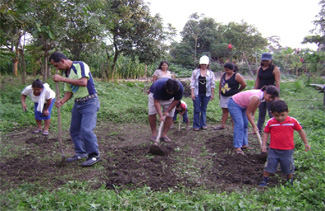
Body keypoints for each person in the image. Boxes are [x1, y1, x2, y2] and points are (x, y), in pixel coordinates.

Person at [50, 51, 100, 167]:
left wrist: (62, 79)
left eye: (56, 65)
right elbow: (69, 92)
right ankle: (80, 152)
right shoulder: (66, 73)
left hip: (90, 102)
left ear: (62, 61)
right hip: (78, 103)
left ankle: (94, 155)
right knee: (74, 130)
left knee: (86, 130)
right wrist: (62, 101)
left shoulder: (80, 65)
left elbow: (83, 82)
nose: (57, 68)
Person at [259, 100, 310, 187]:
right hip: (273, 149)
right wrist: (264, 145)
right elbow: (266, 133)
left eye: (282, 115)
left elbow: (300, 131)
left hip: (287, 150)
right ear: (272, 113)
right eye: (276, 116)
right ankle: (265, 180)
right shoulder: (270, 122)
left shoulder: (293, 121)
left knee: (288, 166)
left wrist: (306, 143)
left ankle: (289, 180)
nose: (280, 118)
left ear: (287, 112)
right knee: (269, 165)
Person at [228, 85, 280, 155]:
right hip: (234, 104)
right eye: (270, 97)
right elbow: (248, 113)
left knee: (245, 124)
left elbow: (255, 105)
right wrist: (254, 126)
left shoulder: (261, 97)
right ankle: (237, 147)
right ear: (265, 92)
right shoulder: (256, 97)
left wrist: (253, 115)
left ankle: (244, 144)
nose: (270, 100)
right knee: (240, 125)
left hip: (243, 105)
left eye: (272, 98)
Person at [148, 78, 183, 142]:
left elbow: (176, 100)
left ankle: (164, 135)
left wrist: (167, 111)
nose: (170, 93)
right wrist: (161, 115)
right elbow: (156, 102)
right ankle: (154, 134)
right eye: (169, 92)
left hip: (170, 100)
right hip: (154, 96)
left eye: (172, 92)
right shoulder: (158, 86)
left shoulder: (179, 88)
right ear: (166, 87)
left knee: (170, 115)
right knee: (152, 113)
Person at [215, 63, 246, 130]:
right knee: (224, 110)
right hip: (224, 95)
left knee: (232, 111)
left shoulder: (236, 75)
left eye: (228, 70)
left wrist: (238, 90)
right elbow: (221, 83)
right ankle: (222, 125)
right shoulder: (223, 74)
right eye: (225, 70)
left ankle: (234, 126)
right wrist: (219, 93)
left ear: (232, 69)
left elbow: (244, 84)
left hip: (232, 96)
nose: (226, 71)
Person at [254, 52, 281, 132]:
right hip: (261, 92)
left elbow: (277, 82)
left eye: (266, 60)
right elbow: (257, 81)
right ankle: (258, 129)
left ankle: (275, 128)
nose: (265, 62)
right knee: (261, 112)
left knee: (271, 112)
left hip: (270, 93)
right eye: (263, 60)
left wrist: (276, 95)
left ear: (270, 60)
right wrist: (255, 92)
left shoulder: (274, 69)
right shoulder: (259, 68)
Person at [190, 55, 215, 131]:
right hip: (197, 93)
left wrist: (212, 94)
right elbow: (192, 83)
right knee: (197, 109)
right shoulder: (195, 72)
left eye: (205, 64)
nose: (203, 65)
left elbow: (212, 84)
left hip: (206, 94)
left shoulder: (211, 73)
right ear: (200, 64)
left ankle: (203, 124)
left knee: (203, 109)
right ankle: (196, 125)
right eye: (202, 64)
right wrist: (192, 93)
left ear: (207, 64)